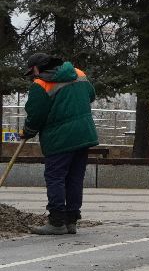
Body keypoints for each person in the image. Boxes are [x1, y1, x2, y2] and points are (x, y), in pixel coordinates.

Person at [19, 53, 98, 236]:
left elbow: (35, 115)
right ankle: (71, 221)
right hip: (84, 135)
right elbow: (91, 95)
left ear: (37, 68)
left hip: (60, 139)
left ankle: (56, 222)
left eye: (32, 72)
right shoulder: (78, 73)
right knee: (75, 178)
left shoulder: (41, 85)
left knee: (55, 177)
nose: (32, 76)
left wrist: (28, 131)